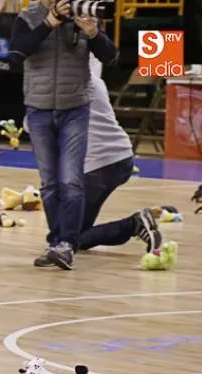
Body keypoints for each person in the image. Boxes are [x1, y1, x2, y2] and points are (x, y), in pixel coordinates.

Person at [9, 0, 117, 271]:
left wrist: (92, 33)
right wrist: (49, 22)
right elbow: (15, 55)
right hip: (39, 108)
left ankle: (66, 245)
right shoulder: (28, 16)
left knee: (71, 179)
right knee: (49, 184)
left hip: (75, 108)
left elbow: (112, 57)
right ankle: (57, 242)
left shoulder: (84, 13)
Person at [70, 57, 162, 256]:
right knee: (73, 233)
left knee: (67, 238)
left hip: (100, 165)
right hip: (120, 155)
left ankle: (134, 224)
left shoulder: (69, 85)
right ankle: (134, 224)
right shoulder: (95, 81)